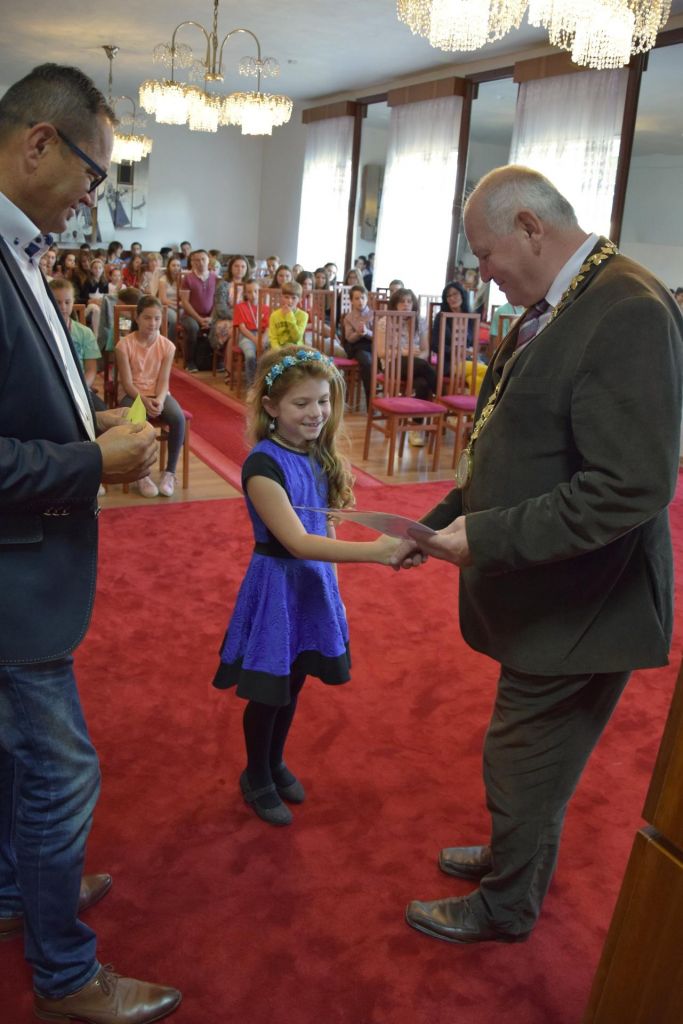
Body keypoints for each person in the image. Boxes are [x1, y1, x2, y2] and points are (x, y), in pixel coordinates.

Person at [392, 165, 683, 946]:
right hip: (553, 591)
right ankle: (509, 861)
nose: (481, 273)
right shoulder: (564, 299)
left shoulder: (626, 306)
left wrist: (484, 537)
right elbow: (508, 441)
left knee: (521, 756)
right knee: (532, 756)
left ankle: (505, 905)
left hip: (588, 601)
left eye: (485, 254)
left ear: (529, 227)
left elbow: (630, 486)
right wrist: (436, 522)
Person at [0, 62, 180, 1022]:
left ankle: (14, 890)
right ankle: (66, 978)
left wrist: (91, 422)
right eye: (93, 173)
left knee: (15, 762)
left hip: (28, 567)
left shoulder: (18, 248)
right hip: (11, 581)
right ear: (39, 142)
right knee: (64, 772)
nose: (93, 197)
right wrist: (90, 463)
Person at [212, 345, 399, 825]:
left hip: (312, 585)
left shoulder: (317, 454)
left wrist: (334, 592)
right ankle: (256, 774)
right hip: (277, 588)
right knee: (269, 689)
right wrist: (377, 552)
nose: (316, 412)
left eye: (323, 400)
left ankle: (275, 762)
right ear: (271, 407)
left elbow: (325, 525)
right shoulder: (263, 465)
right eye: (302, 403)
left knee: (294, 681)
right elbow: (296, 541)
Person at [115, 296, 185, 498]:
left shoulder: (167, 346)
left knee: (178, 418)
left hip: (157, 393)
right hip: (133, 394)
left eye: (156, 318)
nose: (152, 323)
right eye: (147, 318)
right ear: (137, 318)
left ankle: (169, 472)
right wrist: (144, 401)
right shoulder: (124, 345)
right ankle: (141, 473)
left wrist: (160, 400)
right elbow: (127, 384)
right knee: (138, 420)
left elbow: (163, 381)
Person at [375, 287, 436, 446]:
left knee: (422, 383)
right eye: (402, 301)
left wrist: (415, 358)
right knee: (423, 367)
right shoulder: (385, 321)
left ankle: (415, 429)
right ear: (395, 304)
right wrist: (403, 352)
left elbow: (425, 350)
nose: (406, 304)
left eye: (409, 301)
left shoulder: (420, 321)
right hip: (392, 364)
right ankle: (443, 398)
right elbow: (381, 352)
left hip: (416, 364)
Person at [50, 277, 106, 411]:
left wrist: (80, 389)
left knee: (103, 412)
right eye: (57, 302)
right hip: (51, 390)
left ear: (73, 301)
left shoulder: (85, 333)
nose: (63, 307)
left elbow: (91, 370)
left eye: (67, 302)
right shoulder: (41, 331)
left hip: (80, 387)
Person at [179, 248, 217, 372]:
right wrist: (199, 319)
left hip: (210, 315)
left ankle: (215, 362)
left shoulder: (215, 278)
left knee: (220, 326)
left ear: (208, 261)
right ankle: (190, 362)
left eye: (203, 259)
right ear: (192, 262)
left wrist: (211, 318)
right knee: (193, 327)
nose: (200, 262)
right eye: (196, 260)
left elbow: (217, 301)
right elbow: (185, 302)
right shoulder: (187, 279)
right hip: (189, 315)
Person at [232, 277, 270, 387]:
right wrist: (255, 340)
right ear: (245, 294)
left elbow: (268, 327)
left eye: (256, 291)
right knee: (250, 356)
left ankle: (265, 385)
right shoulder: (240, 307)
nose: (253, 295)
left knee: (270, 355)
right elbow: (242, 328)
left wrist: (262, 339)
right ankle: (251, 386)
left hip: (263, 336)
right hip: (247, 337)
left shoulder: (266, 308)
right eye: (249, 292)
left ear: (260, 291)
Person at [211, 253, 250, 358]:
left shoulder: (250, 286)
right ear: (231, 268)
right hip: (225, 319)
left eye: (243, 266)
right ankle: (230, 362)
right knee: (235, 330)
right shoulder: (223, 285)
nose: (240, 269)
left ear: (247, 269)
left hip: (245, 320)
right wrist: (238, 318)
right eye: (236, 266)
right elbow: (221, 309)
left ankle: (245, 360)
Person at [342, 283, 373, 404]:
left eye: (363, 297)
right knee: (367, 361)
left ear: (367, 299)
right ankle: (370, 401)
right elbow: (349, 338)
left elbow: (379, 336)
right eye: (356, 298)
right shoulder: (348, 318)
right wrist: (359, 334)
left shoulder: (373, 315)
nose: (360, 301)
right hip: (358, 346)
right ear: (351, 301)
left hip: (373, 345)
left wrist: (367, 332)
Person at [268, 280, 308, 349]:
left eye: (293, 298)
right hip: (279, 350)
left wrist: (289, 315)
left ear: (300, 299)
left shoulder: (303, 315)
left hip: (296, 349)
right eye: (286, 297)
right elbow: (273, 338)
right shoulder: (274, 315)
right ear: (282, 297)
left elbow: (297, 338)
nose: (290, 301)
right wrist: (279, 351)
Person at [157, 253, 182, 342]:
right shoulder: (163, 280)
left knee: (185, 318)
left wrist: (181, 305)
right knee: (175, 320)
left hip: (180, 306)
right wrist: (177, 305)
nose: (176, 268)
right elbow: (163, 300)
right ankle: (170, 342)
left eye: (178, 265)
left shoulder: (183, 279)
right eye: (173, 265)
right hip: (166, 306)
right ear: (169, 267)